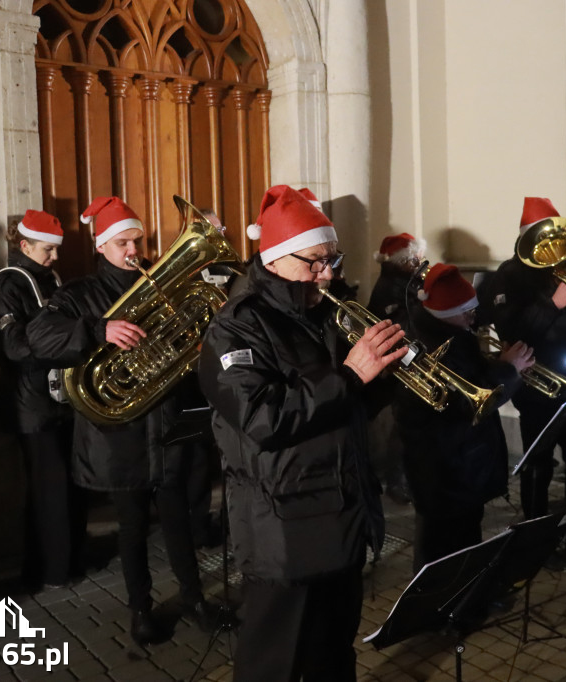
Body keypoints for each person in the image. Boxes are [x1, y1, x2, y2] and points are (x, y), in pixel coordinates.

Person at [197, 185, 408, 681]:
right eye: (315, 262)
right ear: (274, 259)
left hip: (342, 511)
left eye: (333, 260)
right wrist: (351, 376)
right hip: (284, 530)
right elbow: (262, 419)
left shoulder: (327, 312)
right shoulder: (236, 328)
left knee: (332, 655)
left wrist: (385, 376)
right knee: (275, 664)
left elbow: (346, 409)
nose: (328, 273)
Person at [27, 196, 217, 646]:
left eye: (138, 241)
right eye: (123, 243)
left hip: (167, 422)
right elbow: (38, 335)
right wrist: (100, 329)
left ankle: (194, 599)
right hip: (119, 433)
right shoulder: (79, 294)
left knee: (180, 517)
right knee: (132, 527)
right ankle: (141, 610)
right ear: (102, 246)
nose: (134, 251)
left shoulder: (165, 282)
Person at [479, 196, 566, 566]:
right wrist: (553, 303)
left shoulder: (562, 267)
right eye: (547, 240)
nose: (555, 248)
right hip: (539, 386)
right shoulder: (509, 275)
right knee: (538, 465)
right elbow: (512, 332)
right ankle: (535, 541)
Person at [395, 263, 533, 573]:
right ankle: (443, 598)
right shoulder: (426, 347)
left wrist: (501, 366)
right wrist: (508, 370)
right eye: (466, 313)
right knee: (441, 550)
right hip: (443, 468)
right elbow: (462, 403)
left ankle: (465, 591)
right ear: (444, 313)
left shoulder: (450, 333)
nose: (473, 319)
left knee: (465, 541)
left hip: (461, 464)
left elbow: (471, 381)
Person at [0, 209, 85, 590]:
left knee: (66, 487)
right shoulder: (7, 285)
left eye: (55, 250)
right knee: (48, 490)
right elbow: (14, 348)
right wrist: (70, 340)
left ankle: (67, 562)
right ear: (24, 246)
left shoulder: (48, 278)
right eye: (47, 250)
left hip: (55, 399)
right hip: (30, 403)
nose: (55, 257)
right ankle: (50, 571)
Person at [367, 232, 427, 505]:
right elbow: (402, 324)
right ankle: (397, 481)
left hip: (411, 358)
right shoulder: (392, 287)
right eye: (415, 258)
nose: (421, 261)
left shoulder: (408, 282)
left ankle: (407, 477)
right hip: (401, 361)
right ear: (403, 260)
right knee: (403, 424)